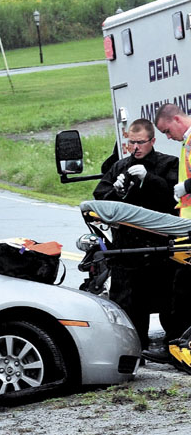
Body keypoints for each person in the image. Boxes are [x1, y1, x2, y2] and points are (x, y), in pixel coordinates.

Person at [92, 118, 179, 357]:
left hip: (159, 250)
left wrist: (148, 180)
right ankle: (133, 352)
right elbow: (100, 199)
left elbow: (174, 200)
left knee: (170, 306)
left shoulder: (168, 163)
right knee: (129, 307)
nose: (136, 147)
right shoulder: (119, 167)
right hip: (127, 251)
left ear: (152, 141)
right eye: (132, 142)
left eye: (141, 142)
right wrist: (115, 191)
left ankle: (174, 349)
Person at [147, 104, 191, 363]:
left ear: (176, 118)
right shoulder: (187, 143)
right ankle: (177, 344)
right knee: (181, 287)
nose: (167, 137)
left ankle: (176, 346)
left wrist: (185, 186)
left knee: (182, 289)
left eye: (166, 130)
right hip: (187, 228)